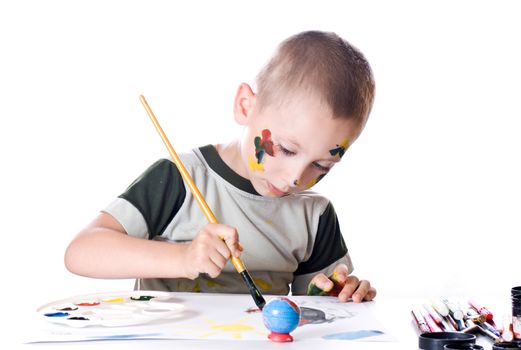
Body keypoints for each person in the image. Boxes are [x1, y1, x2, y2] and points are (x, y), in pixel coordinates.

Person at [64, 30, 377, 303]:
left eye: (323, 165)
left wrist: (340, 295)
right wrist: (183, 257)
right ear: (245, 106)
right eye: (286, 149)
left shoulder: (315, 216)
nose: (296, 178)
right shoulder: (182, 179)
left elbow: (320, 307)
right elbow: (80, 253)